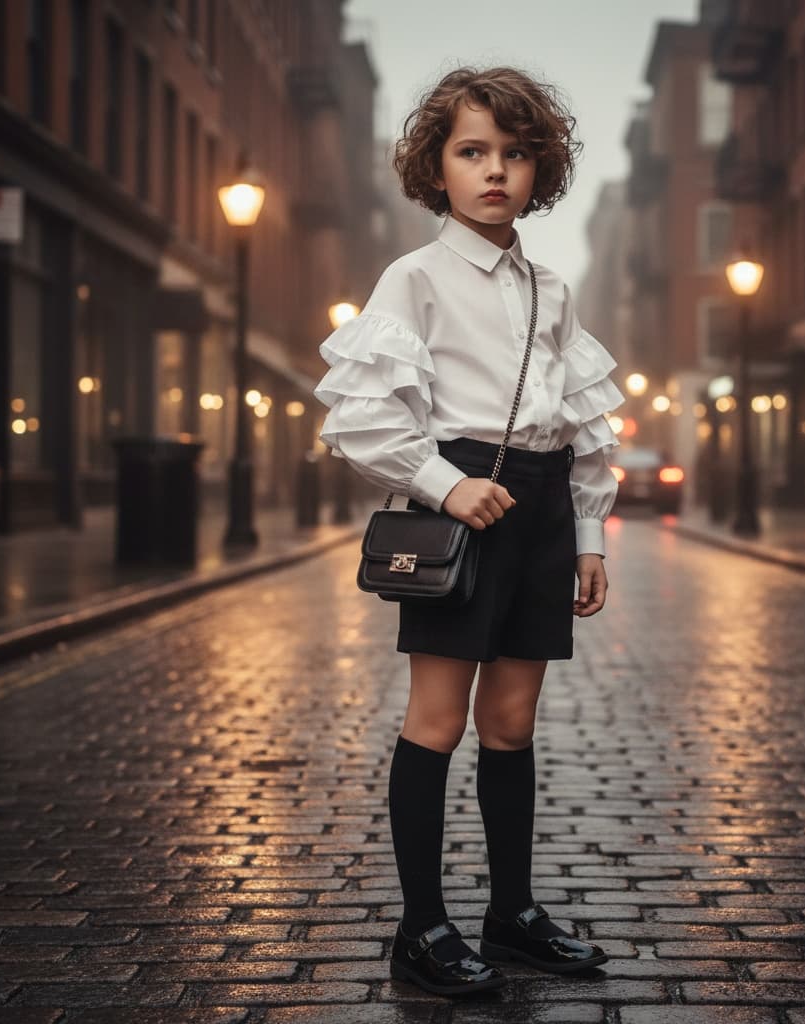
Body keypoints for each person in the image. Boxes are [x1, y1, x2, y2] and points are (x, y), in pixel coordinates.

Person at [314, 66, 623, 997]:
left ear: (541, 168)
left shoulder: (552, 289)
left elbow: (580, 424)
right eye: (472, 152)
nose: (495, 171)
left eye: (515, 154)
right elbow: (363, 417)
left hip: (536, 509)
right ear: (435, 167)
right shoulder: (414, 278)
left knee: (513, 721)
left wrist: (588, 537)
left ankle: (513, 915)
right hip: (460, 507)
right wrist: (445, 486)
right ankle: (423, 927)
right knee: (439, 720)